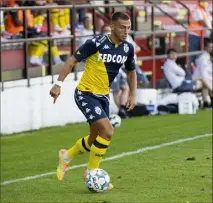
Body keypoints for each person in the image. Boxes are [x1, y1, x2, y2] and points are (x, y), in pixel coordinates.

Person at [49, 12, 137, 190]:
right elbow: (71, 61)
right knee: (108, 131)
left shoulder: (127, 48)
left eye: (128, 28)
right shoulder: (96, 44)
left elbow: (131, 71)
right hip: (86, 94)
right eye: (122, 27)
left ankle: (66, 157)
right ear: (112, 26)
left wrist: (133, 94)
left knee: (94, 139)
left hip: (103, 96)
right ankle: (91, 172)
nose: (126, 31)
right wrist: (58, 84)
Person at [194, 39, 213, 108]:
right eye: (209, 47)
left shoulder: (210, 57)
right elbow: (203, 73)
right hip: (197, 80)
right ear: (205, 48)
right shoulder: (203, 58)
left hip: (204, 79)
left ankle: (207, 103)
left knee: (207, 83)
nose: (211, 49)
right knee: (206, 83)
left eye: (212, 47)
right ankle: (206, 103)